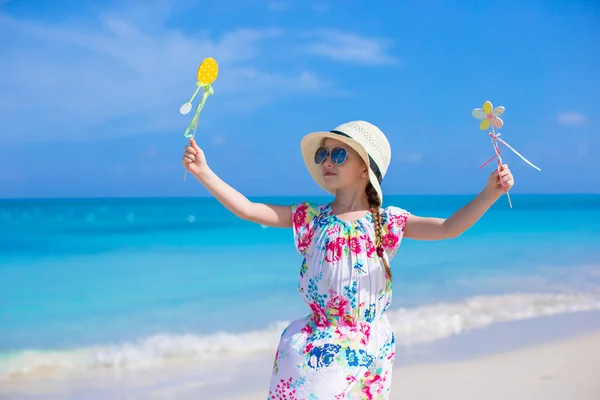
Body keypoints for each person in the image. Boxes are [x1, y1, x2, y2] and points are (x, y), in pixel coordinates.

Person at [182, 120, 514, 399]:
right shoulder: (311, 217)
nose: (327, 160)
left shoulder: (386, 222)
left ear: (364, 169)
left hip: (373, 345)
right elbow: (250, 209)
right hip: (318, 347)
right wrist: (203, 172)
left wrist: (489, 194)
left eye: (338, 153)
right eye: (322, 153)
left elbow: (448, 228)